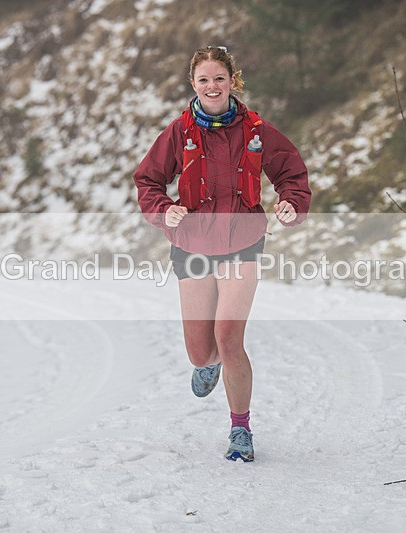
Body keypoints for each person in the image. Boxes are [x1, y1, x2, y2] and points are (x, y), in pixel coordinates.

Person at [133, 45, 311, 462]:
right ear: (193, 85)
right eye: (203, 80)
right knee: (201, 349)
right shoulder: (179, 131)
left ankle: (241, 429)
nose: (212, 86)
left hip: (242, 242)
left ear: (233, 80)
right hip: (192, 244)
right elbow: (148, 182)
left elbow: (292, 173)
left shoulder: (256, 129)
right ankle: (205, 362)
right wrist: (164, 210)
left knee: (229, 339)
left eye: (219, 78)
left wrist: (292, 203)